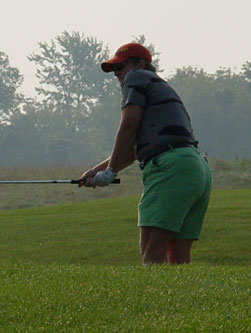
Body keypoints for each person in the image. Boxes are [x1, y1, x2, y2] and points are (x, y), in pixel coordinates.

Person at [77, 42, 212, 265]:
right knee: (178, 258)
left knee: (151, 254)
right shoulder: (158, 87)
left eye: (121, 66)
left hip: (170, 167)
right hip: (194, 168)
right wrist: (97, 171)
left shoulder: (136, 77)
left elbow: (129, 125)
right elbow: (132, 151)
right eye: (114, 69)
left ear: (141, 64)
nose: (117, 73)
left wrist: (110, 172)